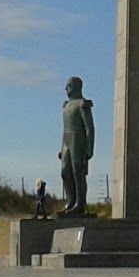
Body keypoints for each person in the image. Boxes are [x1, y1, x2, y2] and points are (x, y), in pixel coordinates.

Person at [59, 77, 96, 216]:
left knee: (78, 172)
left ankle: (79, 204)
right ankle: (70, 201)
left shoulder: (82, 104)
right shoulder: (66, 106)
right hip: (67, 140)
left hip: (78, 139)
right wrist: (61, 148)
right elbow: (64, 129)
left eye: (68, 86)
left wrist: (89, 149)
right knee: (65, 172)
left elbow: (90, 128)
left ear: (76, 86)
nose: (66, 89)